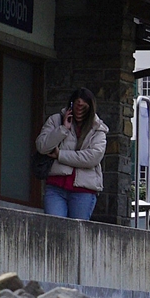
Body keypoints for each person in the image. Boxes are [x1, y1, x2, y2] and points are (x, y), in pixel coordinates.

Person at [36, 87, 108, 220]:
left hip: (84, 191)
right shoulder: (55, 120)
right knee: (54, 228)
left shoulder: (98, 129)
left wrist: (60, 155)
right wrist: (63, 129)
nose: (79, 110)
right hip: (56, 187)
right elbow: (42, 146)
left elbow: (92, 158)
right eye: (76, 105)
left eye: (83, 107)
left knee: (76, 233)